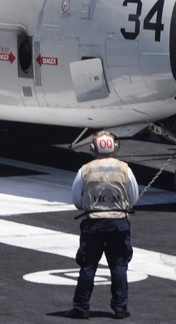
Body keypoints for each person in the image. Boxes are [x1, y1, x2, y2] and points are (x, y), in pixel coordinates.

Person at [69, 131, 139, 319]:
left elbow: (76, 198)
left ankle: (81, 308)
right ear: (114, 148)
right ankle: (120, 308)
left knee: (88, 266)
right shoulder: (124, 168)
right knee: (118, 265)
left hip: (93, 223)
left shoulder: (86, 169)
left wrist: (92, 207)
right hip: (119, 223)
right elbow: (133, 196)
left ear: (94, 148)